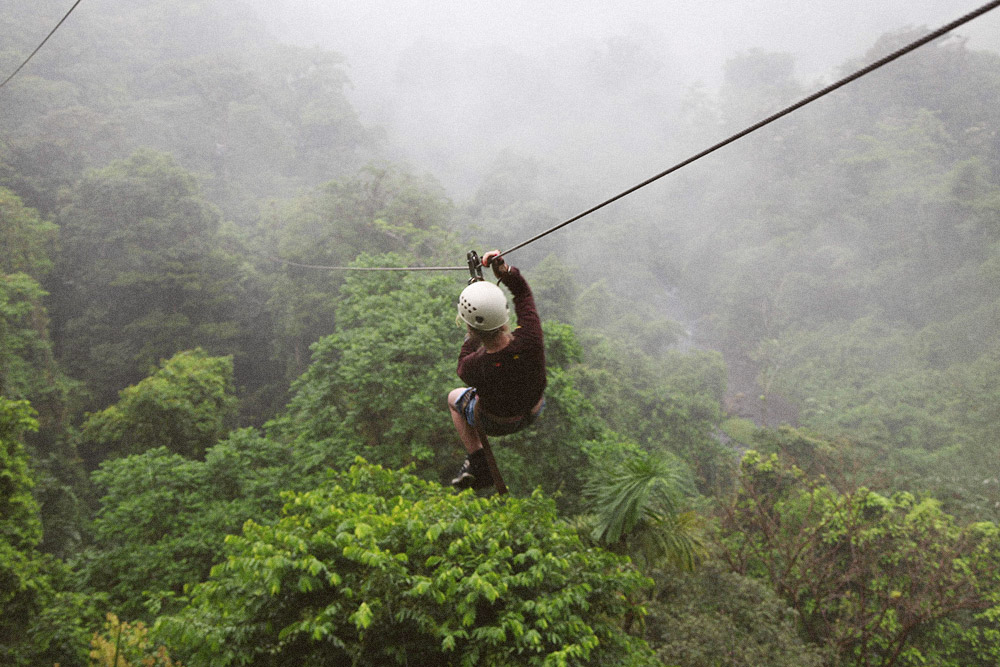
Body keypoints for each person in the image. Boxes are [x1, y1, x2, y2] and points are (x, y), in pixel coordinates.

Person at [448, 250, 546, 489]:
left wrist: (472, 334)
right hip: (533, 410)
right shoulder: (530, 338)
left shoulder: (473, 366)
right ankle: (477, 461)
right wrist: (504, 272)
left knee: (453, 398)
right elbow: (522, 294)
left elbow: (463, 361)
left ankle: (478, 460)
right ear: (504, 317)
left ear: (471, 330)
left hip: (496, 423)